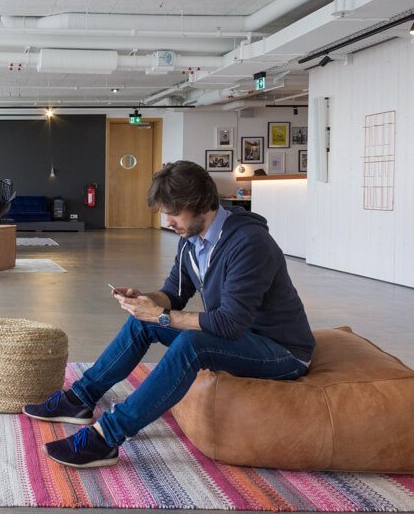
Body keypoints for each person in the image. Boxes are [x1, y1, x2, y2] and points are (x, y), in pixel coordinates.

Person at [23, 160, 315, 469]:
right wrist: (146, 301)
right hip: (242, 335)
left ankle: (107, 437)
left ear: (202, 204)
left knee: (192, 345)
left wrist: (162, 315)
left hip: (281, 351)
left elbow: (229, 324)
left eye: (173, 213)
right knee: (143, 323)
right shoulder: (191, 241)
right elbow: (173, 295)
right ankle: (80, 398)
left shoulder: (249, 244)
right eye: (164, 213)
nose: (168, 222)